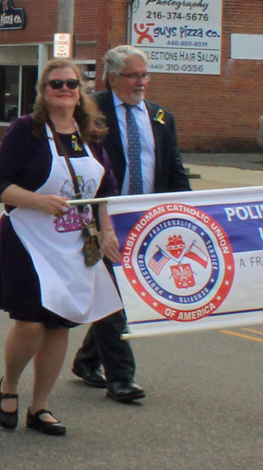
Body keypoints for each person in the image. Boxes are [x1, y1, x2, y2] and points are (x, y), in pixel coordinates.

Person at [0, 59, 124, 435]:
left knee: (60, 323)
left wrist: (107, 232)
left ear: (81, 92)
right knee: (30, 323)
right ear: (43, 93)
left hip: (71, 242)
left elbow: (104, 192)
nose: (64, 90)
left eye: (71, 84)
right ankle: (10, 386)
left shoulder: (91, 135)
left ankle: (40, 406)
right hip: (29, 237)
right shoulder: (25, 131)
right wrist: (37, 201)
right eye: (55, 84)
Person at [72, 45, 191, 403]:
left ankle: (87, 360)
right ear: (111, 77)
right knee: (112, 293)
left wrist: (189, 209)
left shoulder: (159, 116)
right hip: (105, 216)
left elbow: (172, 165)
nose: (142, 82)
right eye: (133, 75)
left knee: (123, 295)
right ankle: (121, 378)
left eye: (145, 75)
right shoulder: (89, 110)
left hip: (146, 219)